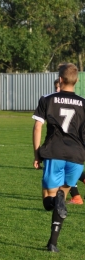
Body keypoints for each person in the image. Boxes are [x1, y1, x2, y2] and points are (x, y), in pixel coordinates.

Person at [32, 63, 85, 252]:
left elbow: (37, 127)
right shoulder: (84, 103)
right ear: (76, 81)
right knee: (63, 192)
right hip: (77, 156)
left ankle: (56, 202)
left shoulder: (47, 99)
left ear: (60, 80)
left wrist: (36, 153)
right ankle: (52, 243)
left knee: (49, 201)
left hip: (54, 153)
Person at [55, 78, 84, 205]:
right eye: (55, 88)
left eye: (58, 87)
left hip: (71, 144)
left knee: (66, 170)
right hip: (71, 145)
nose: (57, 90)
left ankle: (76, 197)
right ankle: (76, 196)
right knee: (69, 170)